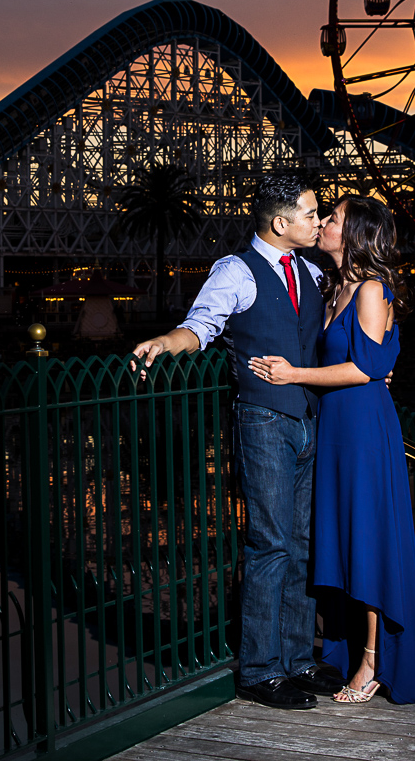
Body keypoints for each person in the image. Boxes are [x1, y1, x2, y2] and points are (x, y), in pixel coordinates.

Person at [131, 175, 345, 710]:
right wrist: (165, 341)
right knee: (269, 544)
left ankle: (297, 660)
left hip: (309, 418)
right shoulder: (235, 271)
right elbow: (200, 327)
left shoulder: (313, 272)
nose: (318, 221)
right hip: (264, 421)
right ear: (281, 223)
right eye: (311, 213)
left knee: (300, 544)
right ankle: (258, 670)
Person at [248, 195, 415, 706]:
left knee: (367, 541)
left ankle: (372, 660)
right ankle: (348, 648)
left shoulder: (371, 289)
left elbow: (367, 369)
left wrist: (295, 374)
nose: (323, 223)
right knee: (344, 539)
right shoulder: (332, 288)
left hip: (365, 431)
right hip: (336, 429)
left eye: (334, 218)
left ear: (356, 234)